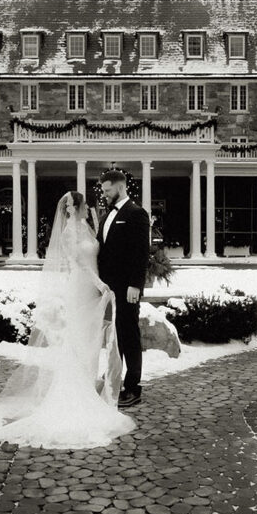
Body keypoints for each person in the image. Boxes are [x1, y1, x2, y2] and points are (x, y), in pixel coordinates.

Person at [0, 191, 135, 449]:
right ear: (74, 207)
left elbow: (97, 250)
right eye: (85, 204)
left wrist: (95, 224)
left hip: (93, 288)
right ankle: (76, 392)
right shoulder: (68, 231)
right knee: (79, 339)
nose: (89, 206)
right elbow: (80, 263)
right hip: (82, 287)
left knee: (91, 339)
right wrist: (100, 284)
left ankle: (88, 386)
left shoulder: (85, 226)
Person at [96, 169, 151, 408]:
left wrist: (135, 285)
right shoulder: (108, 213)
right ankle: (115, 379)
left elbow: (141, 253)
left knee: (129, 336)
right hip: (108, 289)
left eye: (107, 190)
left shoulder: (136, 213)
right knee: (114, 336)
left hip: (127, 288)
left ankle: (133, 388)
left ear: (119, 187)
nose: (104, 194)